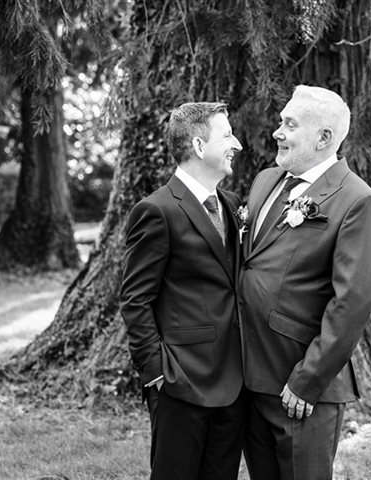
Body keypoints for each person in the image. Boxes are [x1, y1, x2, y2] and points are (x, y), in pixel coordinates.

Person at [238, 85, 371, 480]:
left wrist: (308, 380)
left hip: (300, 387)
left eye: (290, 124)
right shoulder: (266, 180)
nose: (277, 132)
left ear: (323, 138)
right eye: (280, 121)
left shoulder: (357, 200)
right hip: (250, 376)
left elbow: (351, 301)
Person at [120, 102, 245, 480]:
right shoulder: (156, 210)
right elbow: (135, 299)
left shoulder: (232, 204)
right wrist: (156, 373)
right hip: (180, 382)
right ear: (198, 145)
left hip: (235, 380)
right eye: (227, 136)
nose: (236, 144)